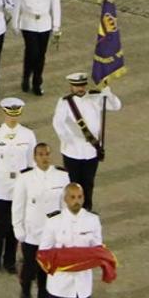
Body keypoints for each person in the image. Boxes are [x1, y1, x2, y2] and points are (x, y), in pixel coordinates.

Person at [0, 98, 38, 274]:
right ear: (4, 113)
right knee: (2, 222)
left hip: (20, 185)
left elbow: (33, 163)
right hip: (0, 185)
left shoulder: (28, 135)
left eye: (15, 114)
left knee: (16, 223)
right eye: (9, 114)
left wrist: (33, 185)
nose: (12, 118)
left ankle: (10, 259)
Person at [51, 73, 120, 211]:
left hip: (91, 151)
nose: (80, 88)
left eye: (82, 85)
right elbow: (58, 123)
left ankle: (86, 210)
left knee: (88, 184)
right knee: (72, 184)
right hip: (72, 151)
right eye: (77, 86)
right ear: (71, 87)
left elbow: (116, 106)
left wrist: (108, 92)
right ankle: (70, 211)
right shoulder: (65, 102)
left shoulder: (95, 97)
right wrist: (67, 139)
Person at [13, 143, 70, 298]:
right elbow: (18, 205)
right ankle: (25, 288)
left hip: (52, 234)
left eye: (46, 154)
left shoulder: (61, 176)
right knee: (29, 268)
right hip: (32, 233)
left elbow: (64, 205)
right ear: (34, 157)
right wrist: (18, 228)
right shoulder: (25, 177)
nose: (44, 158)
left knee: (46, 273)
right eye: (40, 154)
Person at [37, 184, 104, 298]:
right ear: (65, 199)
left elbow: (97, 250)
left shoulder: (93, 220)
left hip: (82, 281)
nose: (76, 201)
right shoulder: (53, 221)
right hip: (59, 281)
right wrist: (64, 259)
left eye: (79, 197)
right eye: (72, 197)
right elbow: (44, 251)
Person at [10, 0, 61, 96]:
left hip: (45, 23)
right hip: (28, 23)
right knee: (33, 52)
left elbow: (55, 6)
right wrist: (15, 24)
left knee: (41, 55)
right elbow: (16, 7)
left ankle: (36, 81)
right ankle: (27, 77)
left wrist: (56, 25)